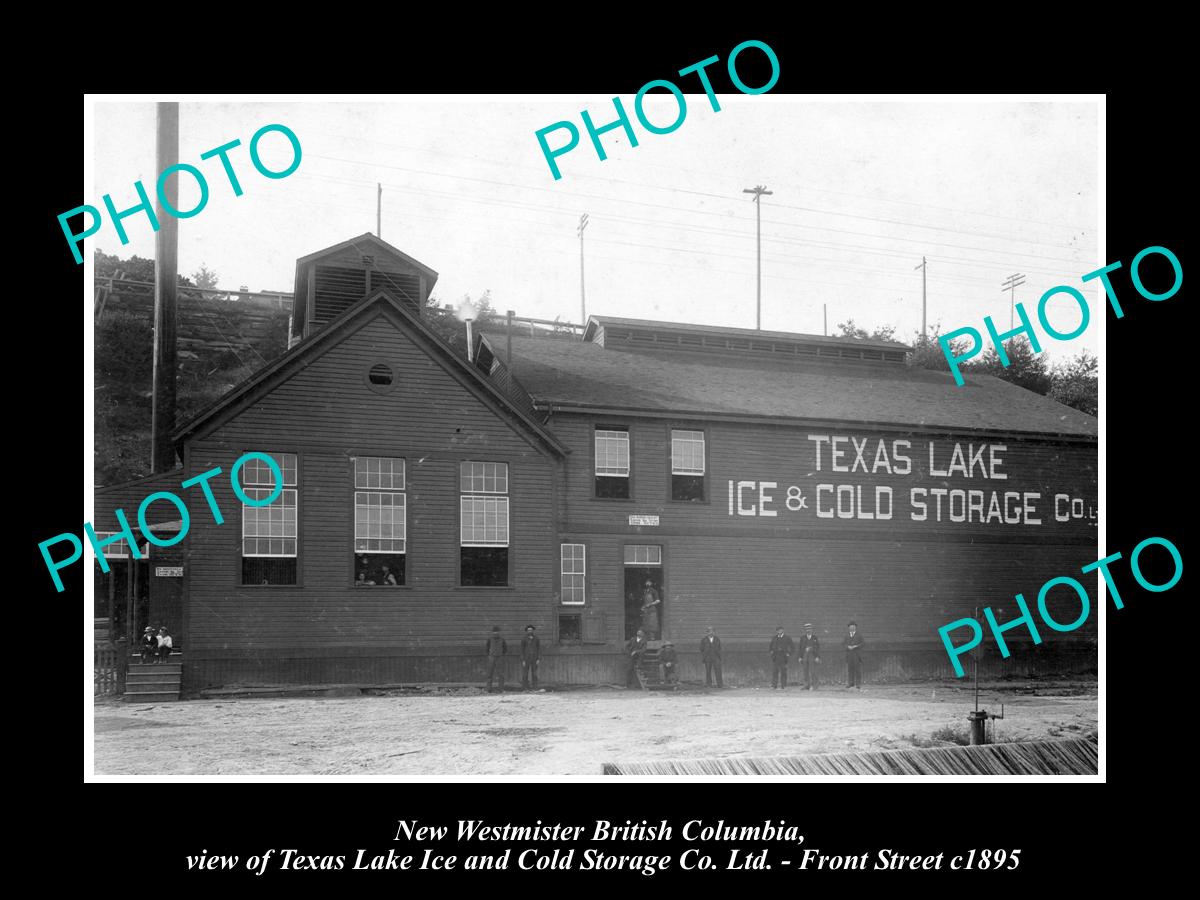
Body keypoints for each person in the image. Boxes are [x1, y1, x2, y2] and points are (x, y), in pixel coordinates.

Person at [484, 626, 507, 692]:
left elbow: (505, 649)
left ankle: (501, 689)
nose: (496, 633)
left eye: (497, 632)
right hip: (491, 657)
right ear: (492, 632)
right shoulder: (489, 639)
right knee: (489, 673)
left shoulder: (502, 640)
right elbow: (487, 648)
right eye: (494, 632)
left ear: (499, 632)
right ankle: (488, 689)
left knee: (501, 674)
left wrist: (501, 655)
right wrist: (489, 655)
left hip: (499, 658)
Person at [798, 623, 820, 690]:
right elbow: (800, 648)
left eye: (809, 629)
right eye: (807, 629)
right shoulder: (803, 638)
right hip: (805, 656)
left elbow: (818, 648)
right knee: (805, 671)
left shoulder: (814, 638)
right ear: (805, 630)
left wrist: (817, 657)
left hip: (812, 656)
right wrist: (800, 657)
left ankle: (814, 686)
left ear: (812, 629)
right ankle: (806, 685)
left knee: (813, 671)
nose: (808, 630)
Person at [843, 621, 865, 690]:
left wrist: (856, 646)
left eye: (853, 627)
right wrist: (847, 647)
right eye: (850, 627)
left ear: (855, 627)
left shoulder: (859, 635)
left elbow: (863, 644)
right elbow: (843, 644)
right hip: (849, 655)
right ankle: (851, 683)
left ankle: (858, 684)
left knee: (857, 669)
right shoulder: (846, 635)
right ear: (849, 628)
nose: (852, 628)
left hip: (856, 654)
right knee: (850, 669)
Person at [520, 624, 541, 691]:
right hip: (526, 659)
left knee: (534, 674)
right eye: (528, 630)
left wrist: (538, 659)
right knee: (525, 674)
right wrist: (523, 660)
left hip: (534, 658)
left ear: (533, 631)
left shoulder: (536, 639)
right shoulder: (524, 639)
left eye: (531, 630)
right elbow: (521, 650)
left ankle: (535, 688)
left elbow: (539, 649)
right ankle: (525, 688)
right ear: (527, 631)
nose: (530, 631)